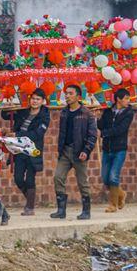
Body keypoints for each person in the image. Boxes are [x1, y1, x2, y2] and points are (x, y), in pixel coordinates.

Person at [51, 84, 97, 221]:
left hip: (79, 152)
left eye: (70, 93)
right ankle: (61, 210)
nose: (67, 96)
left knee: (82, 182)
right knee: (58, 177)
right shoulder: (64, 113)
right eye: (66, 93)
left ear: (78, 96)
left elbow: (92, 135)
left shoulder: (87, 113)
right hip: (65, 151)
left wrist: (86, 150)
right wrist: (59, 149)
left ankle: (86, 210)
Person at [3, 87, 50, 216]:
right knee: (18, 178)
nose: (34, 101)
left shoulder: (44, 116)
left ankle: (29, 207)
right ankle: (31, 201)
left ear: (42, 101)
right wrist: (8, 105)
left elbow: (37, 134)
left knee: (30, 179)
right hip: (18, 150)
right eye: (33, 98)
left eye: (37, 99)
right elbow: (5, 115)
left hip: (32, 150)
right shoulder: (23, 112)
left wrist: (17, 134)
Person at [97, 88, 135, 213]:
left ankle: (113, 205)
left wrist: (103, 133)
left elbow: (121, 129)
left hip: (120, 148)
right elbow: (101, 124)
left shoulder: (129, 113)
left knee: (114, 177)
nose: (128, 101)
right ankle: (121, 194)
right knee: (105, 178)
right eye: (126, 99)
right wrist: (96, 119)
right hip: (107, 148)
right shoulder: (108, 111)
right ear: (118, 99)